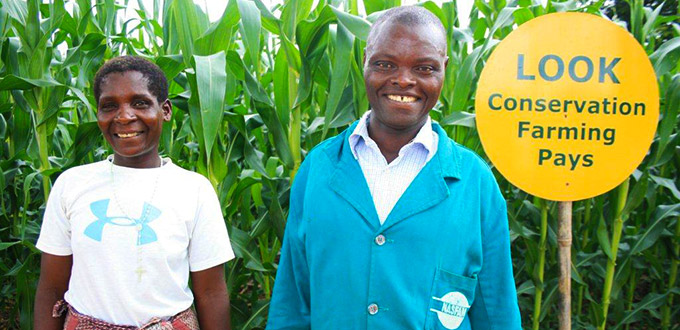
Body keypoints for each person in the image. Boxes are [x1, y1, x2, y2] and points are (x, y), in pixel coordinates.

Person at [267, 6, 521, 330]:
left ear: (444, 69)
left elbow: (497, 315)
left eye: (424, 68)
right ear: (364, 62)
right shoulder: (318, 170)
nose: (403, 80)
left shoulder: (477, 185)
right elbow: (292, 304)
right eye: (385, 64)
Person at [34, 56, 233, 330]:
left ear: (165, 110)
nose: (124, 116)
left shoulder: (194, 190)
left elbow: (211, 293)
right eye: (109, 106)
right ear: (98, 115)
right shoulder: (72, 184)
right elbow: (51, 290)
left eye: (140, 103)